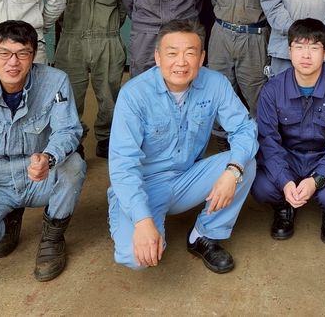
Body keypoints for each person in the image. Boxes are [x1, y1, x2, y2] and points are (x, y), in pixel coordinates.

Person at [107, 19, 257, 274]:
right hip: (144, 185)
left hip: (187, 178)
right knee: (136, 258)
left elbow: (244, 128)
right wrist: (142, 221)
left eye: (190, 53)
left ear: (201, 58)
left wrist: (232, 172)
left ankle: (204, 234)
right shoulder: (133, 95)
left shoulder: (216, 83)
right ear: (157, 57)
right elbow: (123, 164)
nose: (181, 62)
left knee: (245, 163)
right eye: (172, 53)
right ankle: (125, 210)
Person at [0, 20, 86, 282]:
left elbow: (68, 130)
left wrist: (48, 158)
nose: (13, 62)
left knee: (74, 165)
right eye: (4, 53)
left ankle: (53, 238)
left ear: (34, 54)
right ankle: (6, 219)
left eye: (22, 53)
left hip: (37, 175)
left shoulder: (55, 81)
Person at [253, 18, 325, 244]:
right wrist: (284, 180)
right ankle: (284, 207)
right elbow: (267, 141)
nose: (306, 55)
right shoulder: (272, 90)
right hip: (288, 158)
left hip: (324, 158)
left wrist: (317, 179)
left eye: (314, 48)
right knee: (261, 187)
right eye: (299, 47)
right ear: (289, 51)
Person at [56, 0, 126, 159]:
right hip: (71, 40)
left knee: (110, 95)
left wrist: (108, 28)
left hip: (108, 38)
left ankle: (106, 138)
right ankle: (73, 139)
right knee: (69, 96)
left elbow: (124, 4)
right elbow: (56, 3)